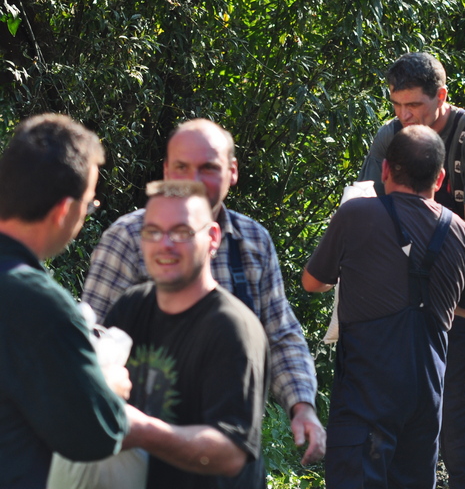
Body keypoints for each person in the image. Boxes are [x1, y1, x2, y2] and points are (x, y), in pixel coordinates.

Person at [82, 119, 324, 464]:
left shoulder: (253, 242)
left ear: (232, 172)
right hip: (140, 459)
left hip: (230, 454)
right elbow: (91, 345)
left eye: (208, 168)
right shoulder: (127, 239)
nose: (193, 181)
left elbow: (281, 334)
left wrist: (303, 407)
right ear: (166, 171)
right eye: (182, 167)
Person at [358, 52, 465, 489]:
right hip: (407, 295)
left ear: (441, 97)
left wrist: (421, 261)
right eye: (397, 105)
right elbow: (365, 212)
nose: (405, 117)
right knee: (414, 429)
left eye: (415, 106)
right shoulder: (390, 137)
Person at [303, 125, 465, 488]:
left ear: (385, 170)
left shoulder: (356, 216)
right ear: (441, 178)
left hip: (367, 388)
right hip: (425, 388)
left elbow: (311, 282)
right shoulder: (461, 231)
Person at [105, 180, 270, 488]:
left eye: (181, 232)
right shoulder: (131, 306)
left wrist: (142, 430)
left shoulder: (233, 328)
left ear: (212, 238)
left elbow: (231, 452)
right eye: (153, 231)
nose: (164, 244)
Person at [0, 114, 131, 488]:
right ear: (62, 211)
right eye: (88, 207)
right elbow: (96, 434)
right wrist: (106, 383)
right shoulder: (37, 303)